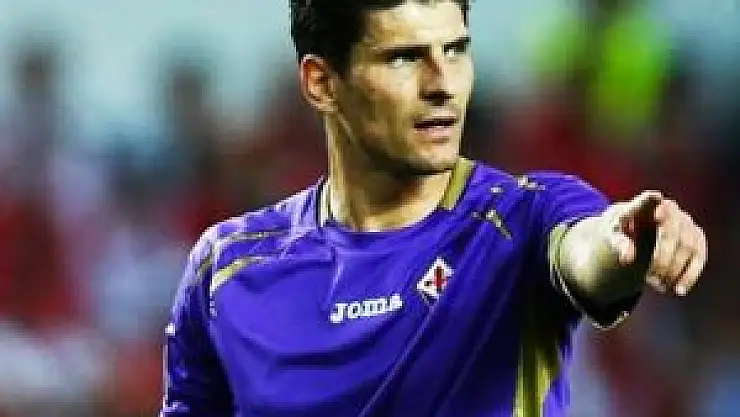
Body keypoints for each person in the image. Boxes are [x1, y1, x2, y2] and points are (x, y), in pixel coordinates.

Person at [159, 1, 707, 416]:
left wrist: (626, 243)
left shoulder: (523, 218)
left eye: (456, 51)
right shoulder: (226, 269)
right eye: (404, 58)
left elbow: (589, 254)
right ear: (322, 83)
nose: (443, 85)